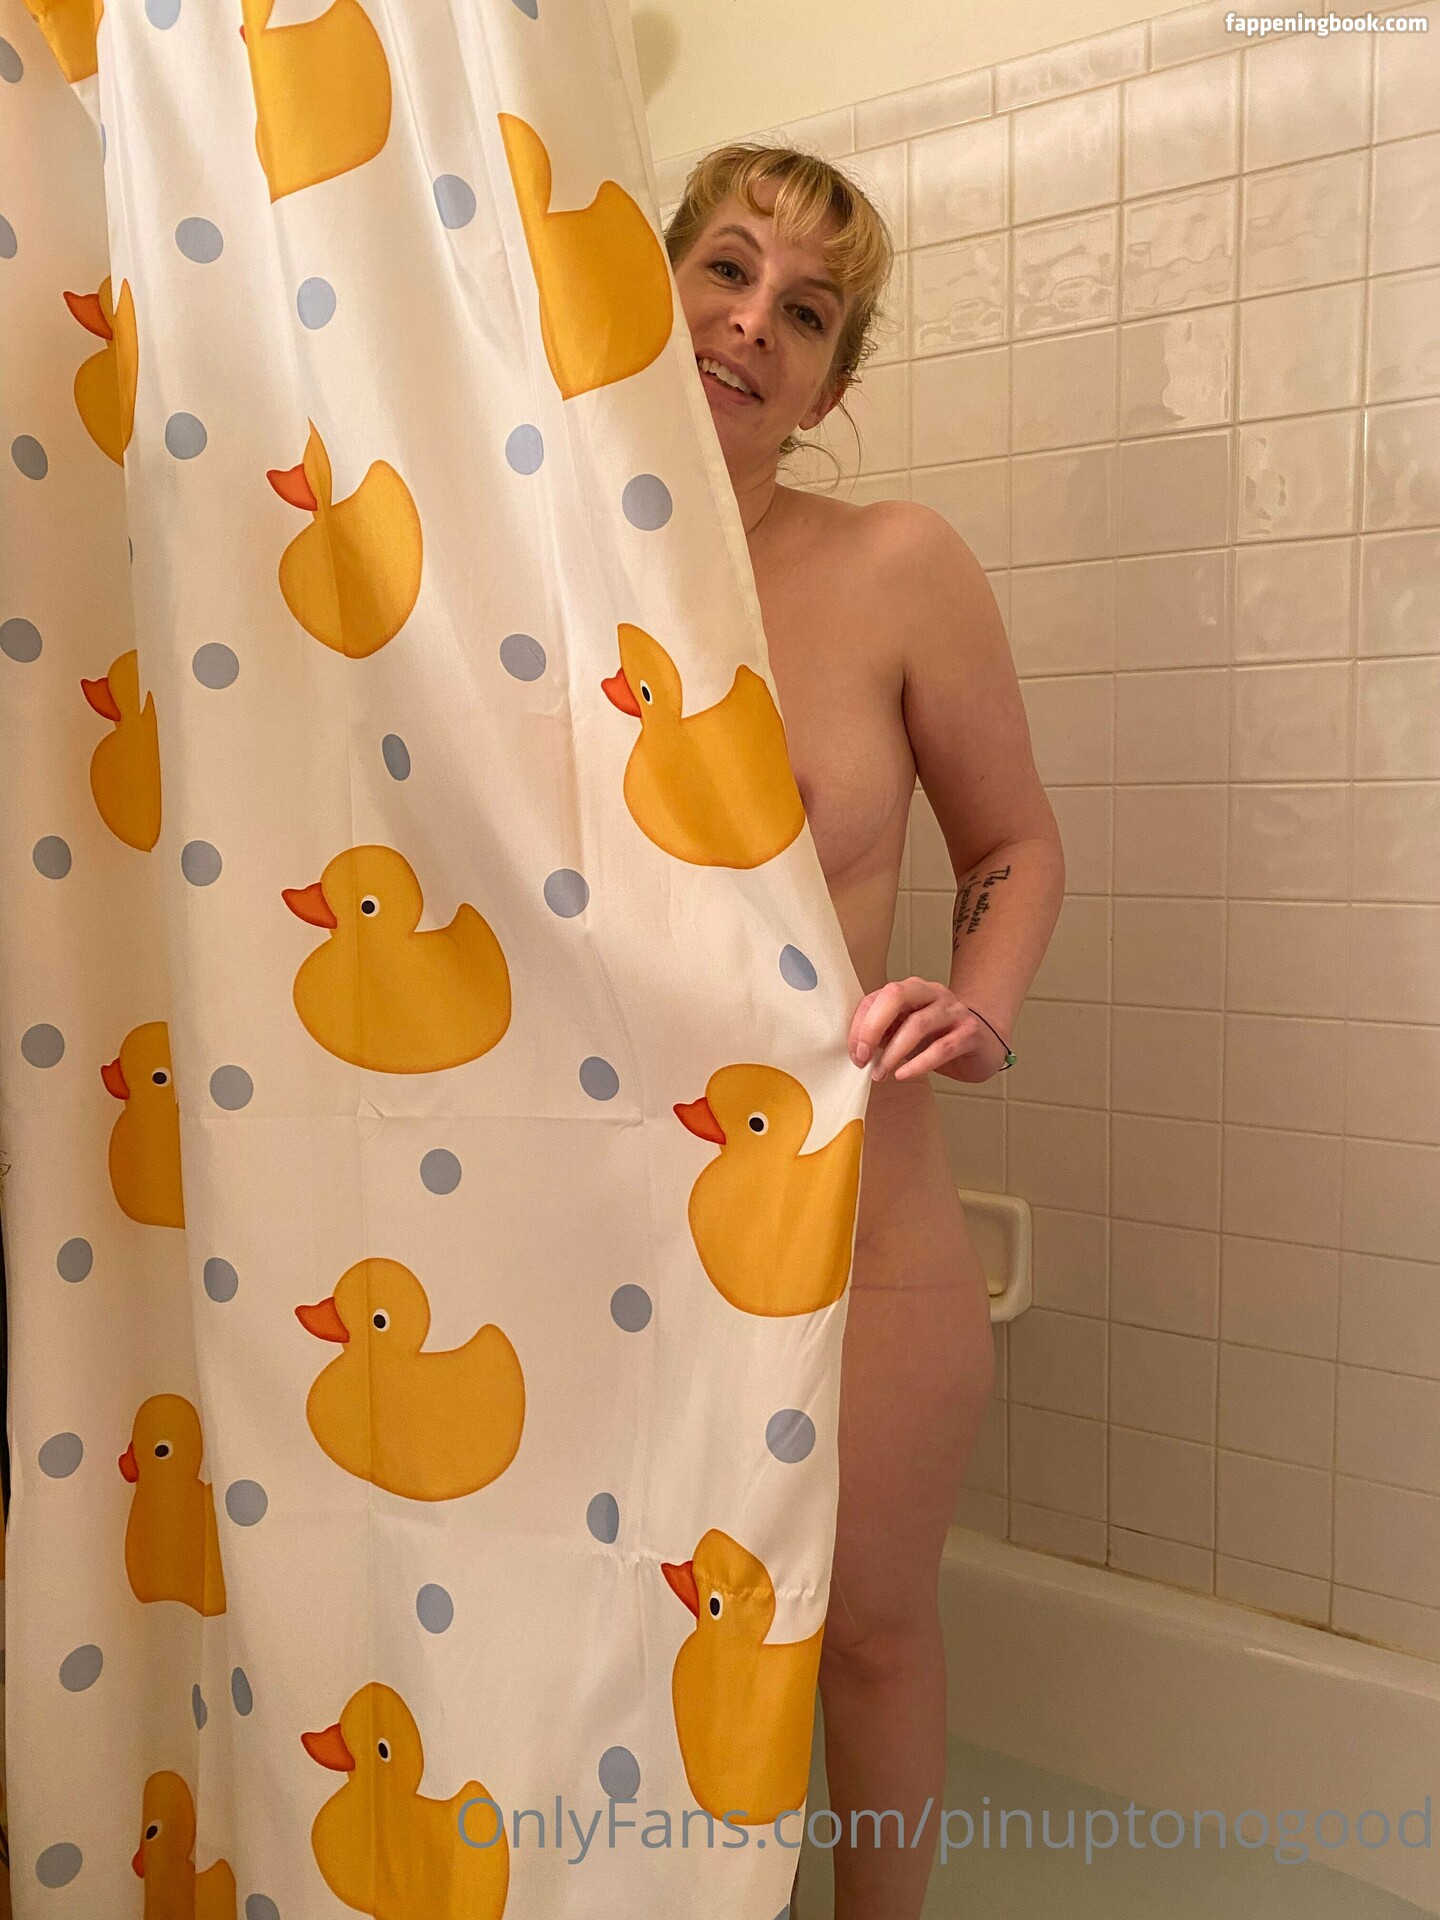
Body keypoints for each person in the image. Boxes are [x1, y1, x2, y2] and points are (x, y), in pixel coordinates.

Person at [665, 146, 1067, 1920]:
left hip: (862, 1216)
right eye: (726, 267)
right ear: (645, 288)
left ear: (829, 385)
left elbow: (1014, 845)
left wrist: (981, 1011)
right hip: (618, 1215)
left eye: (809, 311)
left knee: (871, 1638)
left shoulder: (896, 566)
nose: (755, 320)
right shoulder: (533, 577)